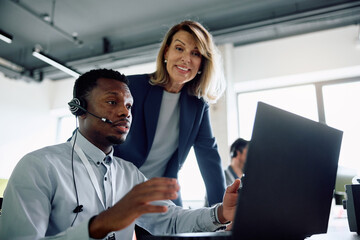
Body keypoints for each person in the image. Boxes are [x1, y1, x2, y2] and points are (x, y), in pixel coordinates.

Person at [0, 69, 240, 240]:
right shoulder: (38, 167)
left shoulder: (130, 174)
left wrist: (220, 213)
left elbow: (171, 219)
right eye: (112, 102)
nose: (125, 113)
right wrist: (99, 226)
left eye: (129, 106)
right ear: (79, 109)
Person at [113, 20, 227, 206]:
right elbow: (100, 136)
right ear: (167, 52)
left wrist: (222, 211)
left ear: (202, 63)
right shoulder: (132, 87)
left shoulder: (198, 106)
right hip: (119, 189)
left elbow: (209, 157)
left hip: (161, 195)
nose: (186, 59)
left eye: (195, 53)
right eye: (179, 48)